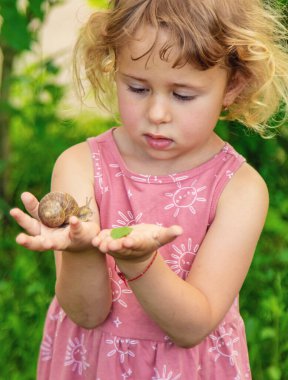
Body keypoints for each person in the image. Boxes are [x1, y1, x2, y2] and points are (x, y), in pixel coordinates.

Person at [10, 0, 288, 379]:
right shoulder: (80, 167)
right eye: (138, 88)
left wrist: (140, 263)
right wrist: (79, 249)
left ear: (232, 86)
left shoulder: (239, 190)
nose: (157, 113)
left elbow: (192, 327)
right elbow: (87, 313)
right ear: (114, 68)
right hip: (93, 363)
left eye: (183, 95)